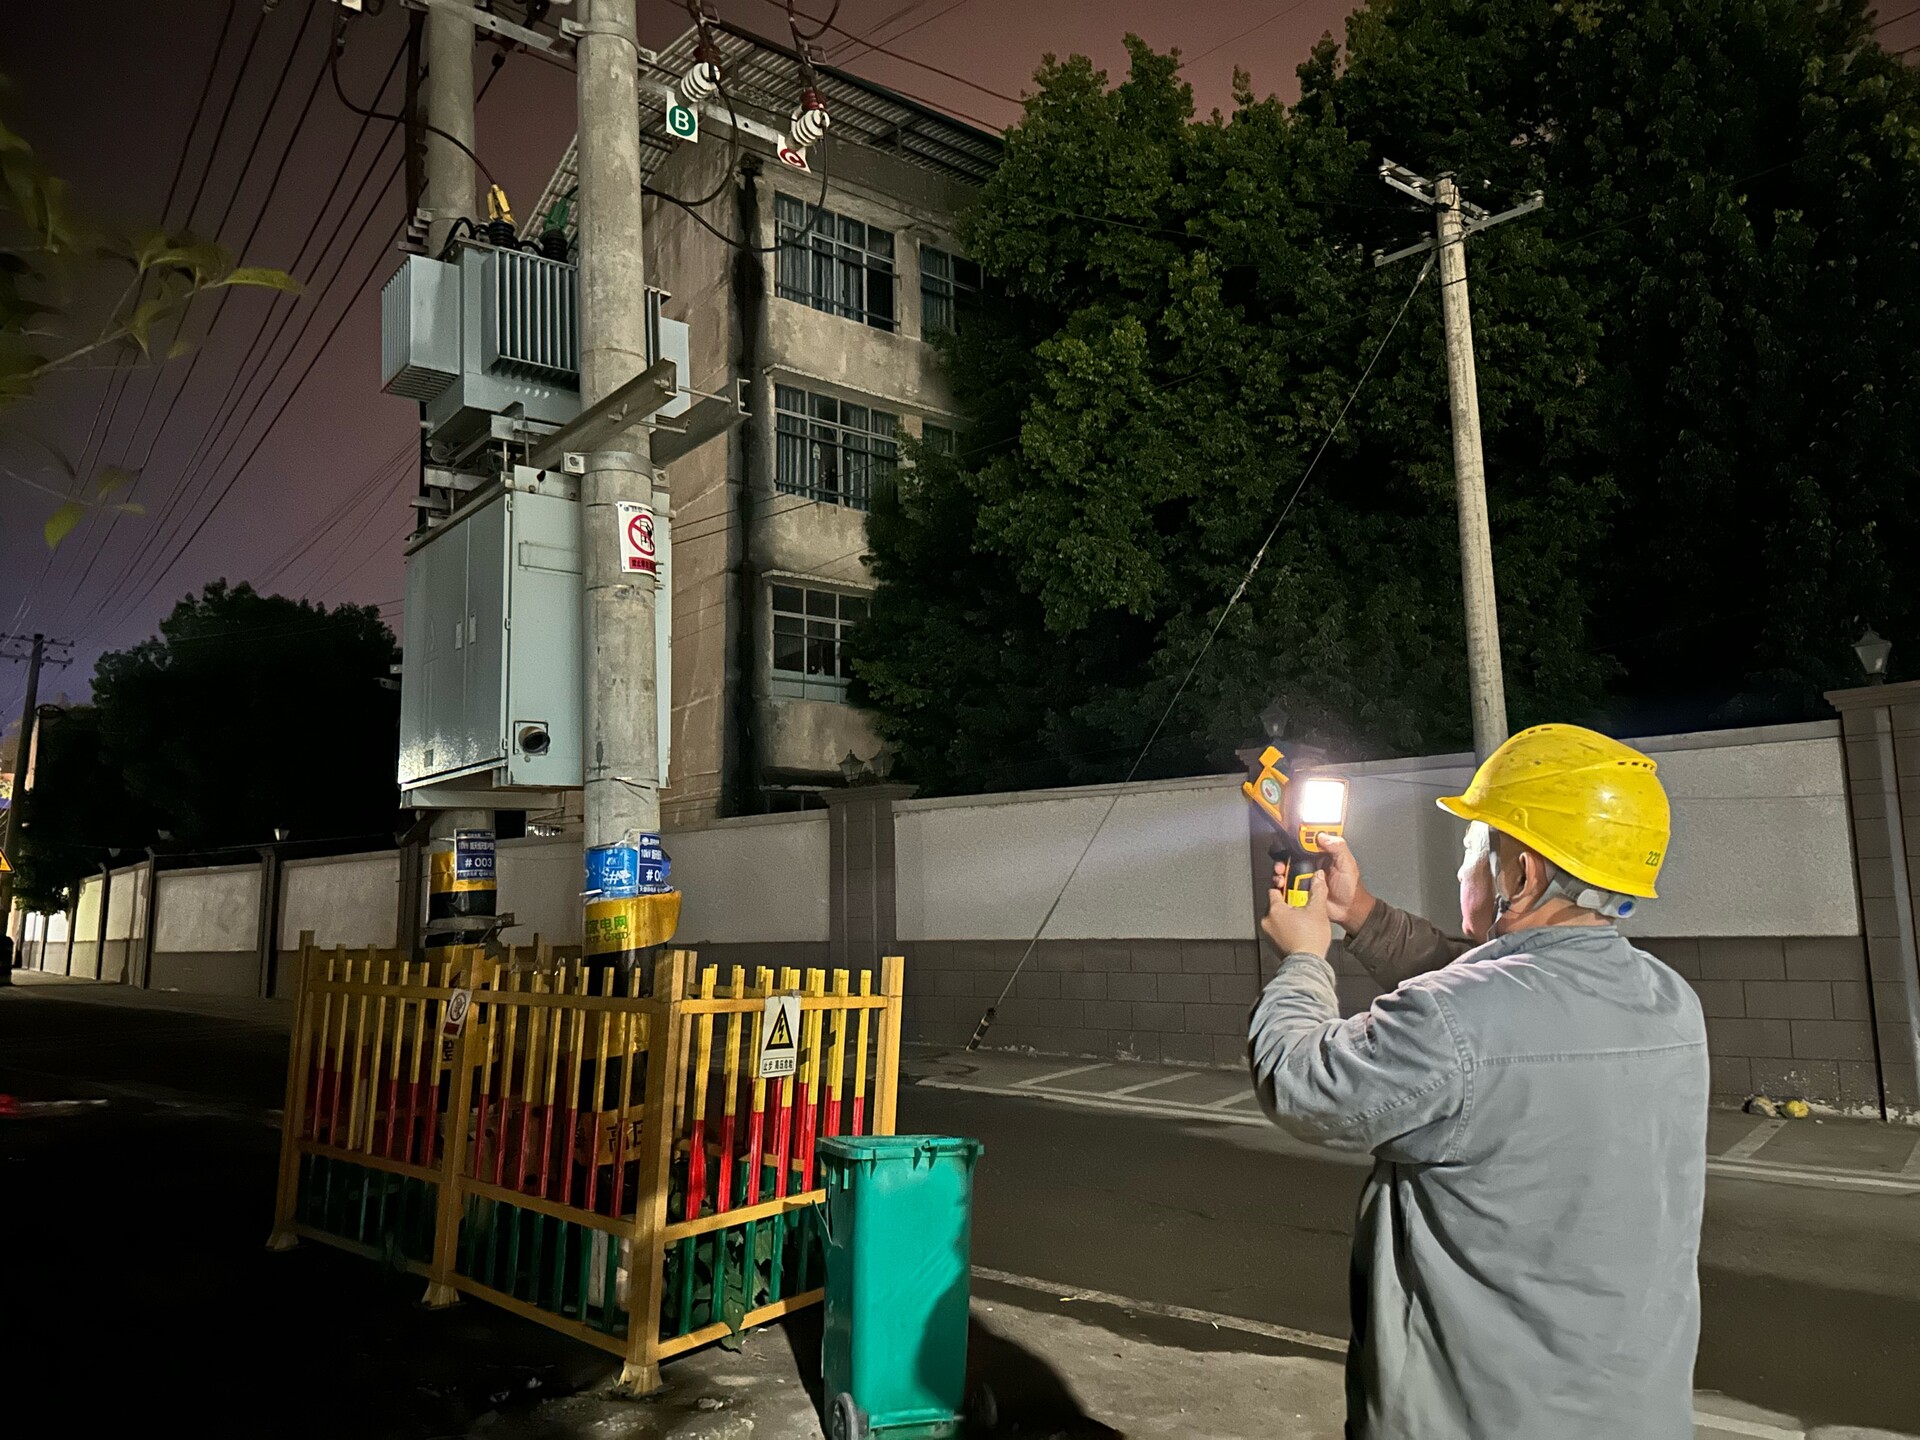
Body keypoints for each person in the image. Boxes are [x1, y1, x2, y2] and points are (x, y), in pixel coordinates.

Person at [1247, 724, 1708, 1440]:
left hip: (1476, 1420)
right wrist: (1360, 913)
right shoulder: (1670, 1001)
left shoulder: (1455, 1018)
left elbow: (1301, 1084)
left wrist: (1304, 959)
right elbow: (1491, 1003)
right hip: (1633, 1413)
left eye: (1475, 848)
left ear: (1519, 873)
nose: (1467, 866)